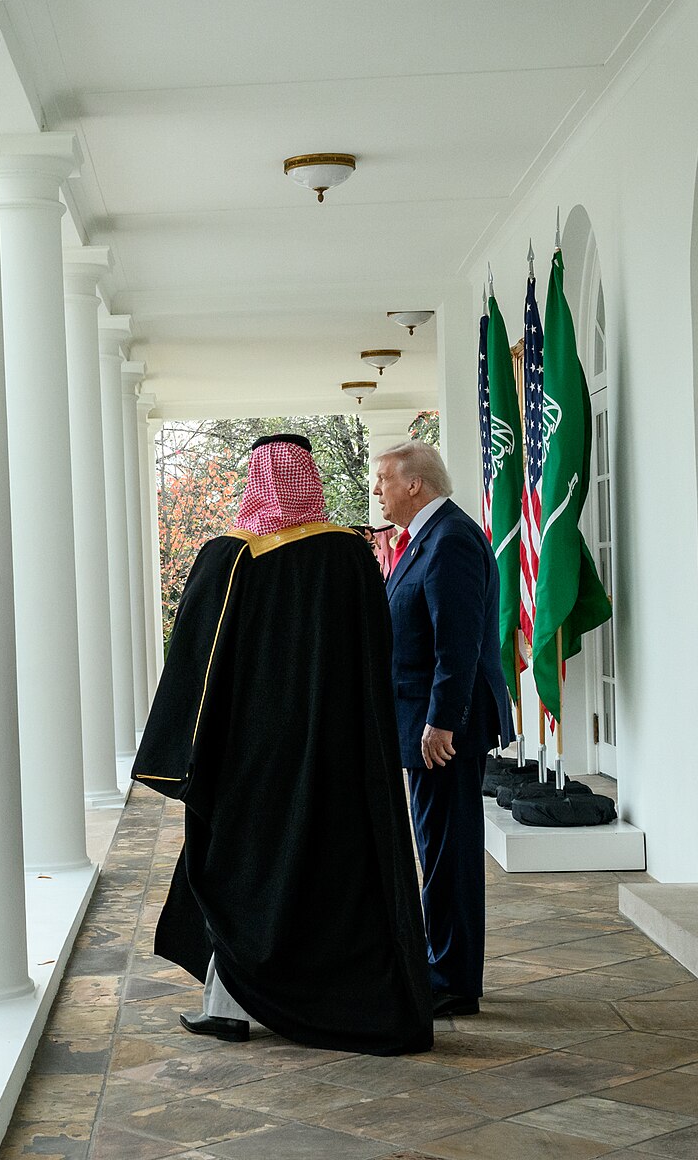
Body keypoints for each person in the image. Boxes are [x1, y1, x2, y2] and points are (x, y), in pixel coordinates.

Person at [132, 434, 431, 1055]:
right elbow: (376, 660)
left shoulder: (229, 558)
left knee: (239, 873)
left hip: (250, 761)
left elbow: (194, 667)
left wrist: (183, 757)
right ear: (309, 479)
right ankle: (350, 1000)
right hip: (336, 759)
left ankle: (227, 1007)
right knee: (335, 876)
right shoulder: (349, 555)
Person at [374, 439, 515, 1020]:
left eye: (383, 479)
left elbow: (457, 646)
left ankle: (452, 980)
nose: (376, 491)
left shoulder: (451, 539)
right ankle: (443, 967)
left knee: (449, 851)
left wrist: (441, 722)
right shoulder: (427, 539)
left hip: (443, 730)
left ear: (415, 484)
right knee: (437, 846)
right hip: (428, 723)